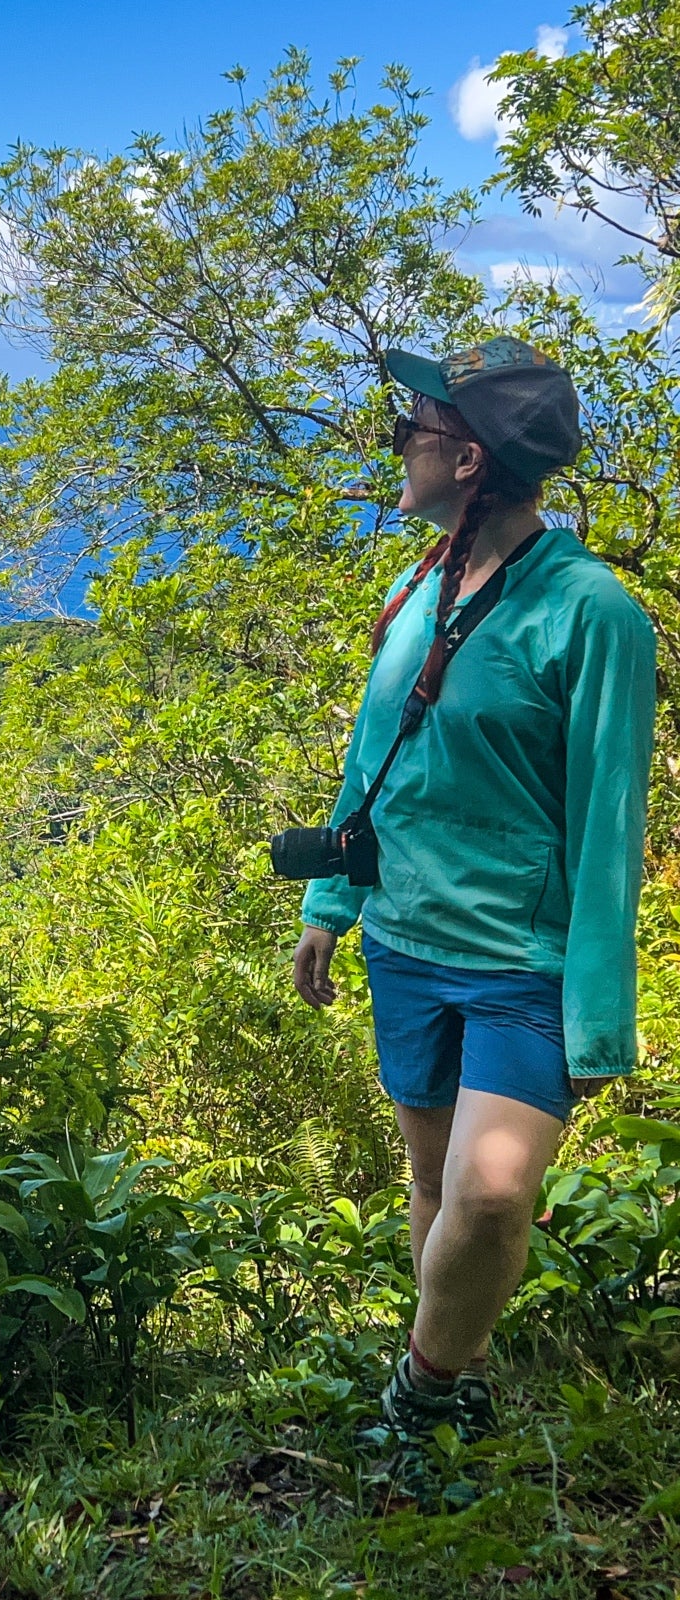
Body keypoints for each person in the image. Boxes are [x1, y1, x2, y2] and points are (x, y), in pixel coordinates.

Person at [291, 336, 656, 1441]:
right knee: (437, 1185)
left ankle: (418, 1394)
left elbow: (609, 825)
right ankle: (464, 1381)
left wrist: (599, 1022)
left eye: (413, 427)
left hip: (521, 964)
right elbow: (374, 754)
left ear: (468, 460)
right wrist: (331, 905)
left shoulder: (592, 613)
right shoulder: (423, 586)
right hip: (406, 936)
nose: (397, 442)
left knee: (493, 1193)